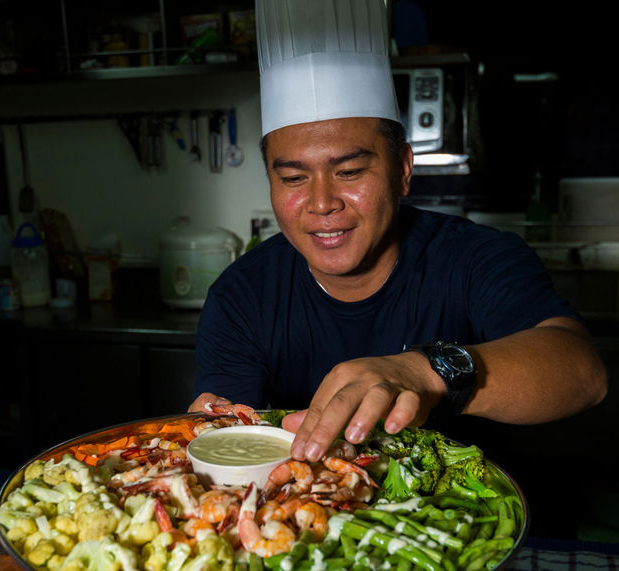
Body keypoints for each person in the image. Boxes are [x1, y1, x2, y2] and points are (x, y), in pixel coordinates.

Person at [188, 0, 607, 465]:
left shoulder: (478, 258)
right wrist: (217, 429)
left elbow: (582, 372)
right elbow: (226, 427)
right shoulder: (242, 294)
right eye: (292, 178)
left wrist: (426, 373)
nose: (322, 202)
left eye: (349, 171)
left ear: (403, 170)